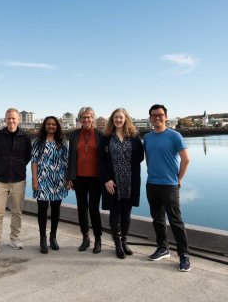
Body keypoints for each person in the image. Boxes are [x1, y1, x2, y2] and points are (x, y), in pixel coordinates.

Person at [143, 104, 191, 272]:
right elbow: (149, 158)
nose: (157, 117)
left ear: (166, 117)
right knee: (157, 219)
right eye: (154, 115)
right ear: (150, 118)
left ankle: (184, 254)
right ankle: (163, 248)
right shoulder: (147, 137)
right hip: (152, 184)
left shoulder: (175, 136)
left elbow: (186, 159)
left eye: (160, 115)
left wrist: (179, 179)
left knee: (175, 220)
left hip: (170, 185)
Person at [0, 108, 32, 257]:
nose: (11, 121)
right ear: (5, 120)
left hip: (18, 179)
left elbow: (28, 156)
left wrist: (16, 167)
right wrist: (2, 166)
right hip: (1, 179)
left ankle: (15, 238)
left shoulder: (25, 136)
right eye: (8, 118)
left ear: (18, 120)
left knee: (17, 211)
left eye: (14, 118)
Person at [99, 108, 144, 259]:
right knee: (115, 214)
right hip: (112, 182)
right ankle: (117, 244)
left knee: (126, 215)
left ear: (126, 119)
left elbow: (140, 157)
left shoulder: (134, 136)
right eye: (116, 117)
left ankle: (124, 241)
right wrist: (106, 179)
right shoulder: (106, 137)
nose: (118, 120)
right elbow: (101, 162)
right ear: (112, 120)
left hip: (130, 181)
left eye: (121, 117)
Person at [67, 107, 104, 253]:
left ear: (93, 119)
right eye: (83, 117)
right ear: (79, 119)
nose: (86, 120)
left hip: (96, 178)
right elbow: (71, 156)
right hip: (79, 178)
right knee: (82, 209)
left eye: (89, 117)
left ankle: (98, 240)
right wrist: (70, 177)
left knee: (94, 209)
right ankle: (85, 238)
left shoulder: (100, 135)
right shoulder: (74, 135)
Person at [31, 116, 68, 254]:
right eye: (48, 124)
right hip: (42, 179)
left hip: (58, 180)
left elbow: (66, 161)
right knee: (42, 209)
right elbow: (34, 161)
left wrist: (68, 179)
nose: (51, 126)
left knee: (55, 209)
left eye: (53, 124)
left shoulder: (62, 142)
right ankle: (42, 238)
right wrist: (34, 179)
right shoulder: (38, 142)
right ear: (44, 126)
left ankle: (53, 237)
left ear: (57, 126)